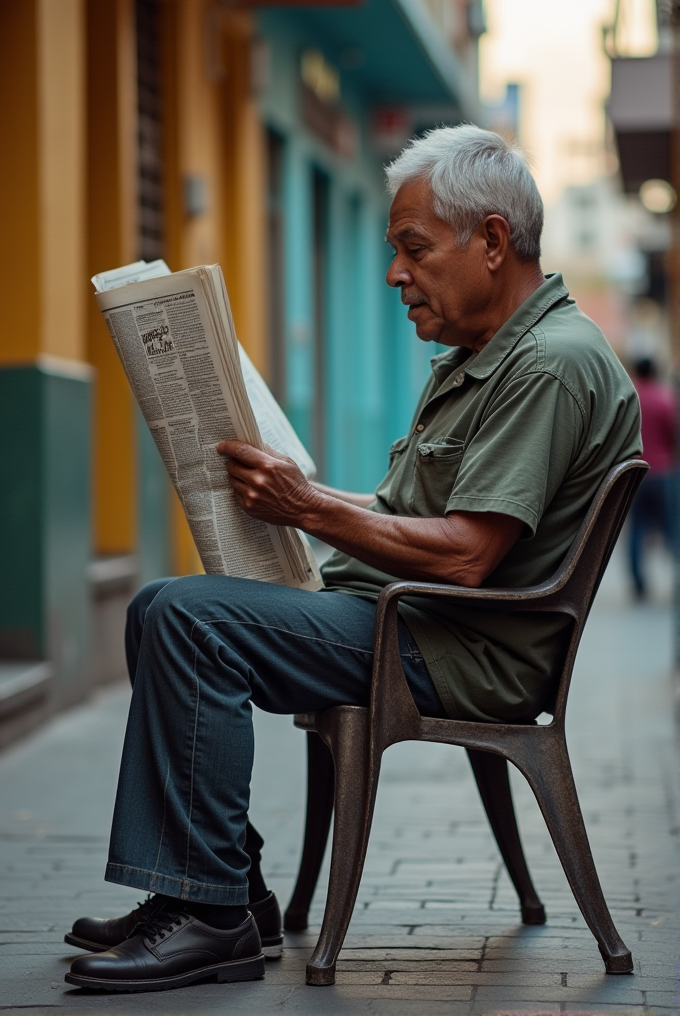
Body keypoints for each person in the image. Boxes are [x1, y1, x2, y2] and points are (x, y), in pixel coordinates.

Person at [63, 125, 642, 994]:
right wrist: (307, 497)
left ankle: (213, 917)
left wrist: (307, 509)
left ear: (490, 241)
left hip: (457, 645)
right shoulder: (490, 355)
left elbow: (468, 557)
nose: (394, 275)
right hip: (412, 619)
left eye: (413, 249)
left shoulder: (550, 366)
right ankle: (220, 891)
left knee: (188, 616)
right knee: (159, 607)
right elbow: (423, 515)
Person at [627, 356, 676, 599]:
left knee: (637, 528)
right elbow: (672, 434)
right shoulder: (665, 397)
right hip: (663, 473)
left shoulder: (629, 396)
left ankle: (638, 582)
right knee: (670, 527)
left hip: (636, 473)